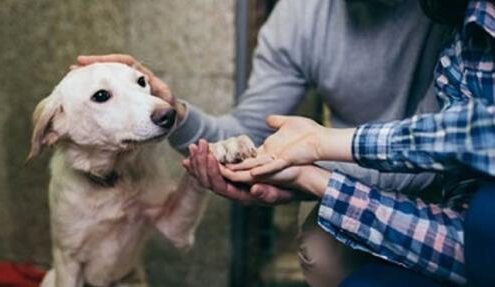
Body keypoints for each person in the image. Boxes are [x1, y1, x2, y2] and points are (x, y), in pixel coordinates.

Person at [77, 0, 452, 286]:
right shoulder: (300, 15)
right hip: (354, 178)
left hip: (452, 179)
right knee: (320, 252)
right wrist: (173, 114)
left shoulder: (451, 15)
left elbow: (440, 147)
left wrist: (307, 177)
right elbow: (247, 131)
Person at [197, 0, 493, 285]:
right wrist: (178, 117)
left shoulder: (446, 18)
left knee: (484, 212)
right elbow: (470, 244)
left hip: (426, 177)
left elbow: (463, 137)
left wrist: (322, 146)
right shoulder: (462, 42)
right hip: (357, 170)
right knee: (331, 256)